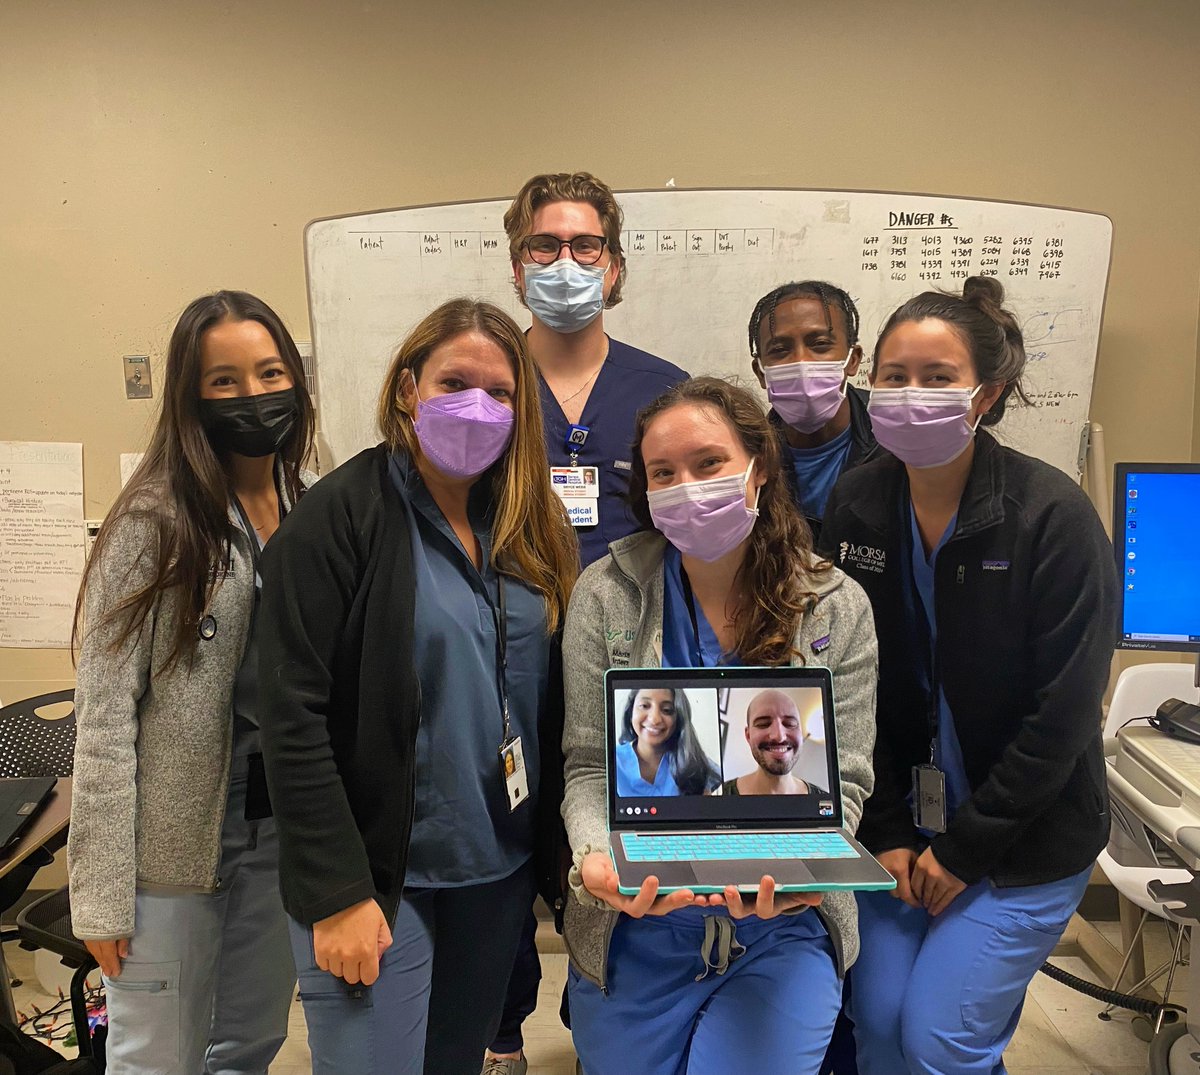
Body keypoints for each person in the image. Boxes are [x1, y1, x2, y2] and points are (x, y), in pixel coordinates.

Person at [256, 298, 577, 1075]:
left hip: (494, 874)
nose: (477, 405)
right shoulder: (339, 517)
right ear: (408, 388)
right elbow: (291, 716)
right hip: (375, 881)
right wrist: (337, 892)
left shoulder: (532, 524)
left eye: (499, 392)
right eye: (453, 381)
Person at [819, 277, 1118, 1075]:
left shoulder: (1051, 518)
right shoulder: (856, 505)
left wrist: (963, 851)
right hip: (899, 834)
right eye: (893, 375)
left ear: (984, 394)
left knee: (937, 1042)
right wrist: (883, 831)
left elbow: (1062, 717)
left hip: (1023, 837)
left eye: (938, 377)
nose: (910, 395)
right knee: (876, 1026)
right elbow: (848, 689)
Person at [562, 377, 878, 1075]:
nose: (687, 486)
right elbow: (589, 764)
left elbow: (845, 778)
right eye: (663, 472)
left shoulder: (834, 606)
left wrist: (812, 869)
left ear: (758, 468)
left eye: (708, 463)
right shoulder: (606, 594)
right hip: (636, 919)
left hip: (784, 923)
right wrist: (594, 855)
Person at [68, 290, 314, 1073]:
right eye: (224, 381)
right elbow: (103, 719)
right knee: (156, 1058)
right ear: (189, 395)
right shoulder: (154, 521)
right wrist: (101, 893)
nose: (252, 395)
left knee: (250, 1041)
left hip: (278, 838)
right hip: (171, 855)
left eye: (270, 372)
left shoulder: (306, 505)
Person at [485, 171, 688, 1075]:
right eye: (543, 245)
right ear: (515, 259)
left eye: (585, 246)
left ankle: (600, 998)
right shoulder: (485, 381)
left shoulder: (661, 388)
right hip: (502, 660)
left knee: (606, 845)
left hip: (624, 665)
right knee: (501, 849)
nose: (563, 263)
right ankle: (498, 1027)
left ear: (615, 266)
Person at [748, 281, 882, 542]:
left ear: (852, 360)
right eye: (779, 350)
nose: (801, 361)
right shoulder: (748, 458)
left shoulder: (896, 441)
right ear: (760, 372)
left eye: (819, 344)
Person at [615, 688, 720, 797]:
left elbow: (703, 812)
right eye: (644, 706)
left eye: (667, 710)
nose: (654, 719)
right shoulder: (610, 760)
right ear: (631, 711)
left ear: (679, 718)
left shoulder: (696, 765)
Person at [721, 689, 826, 796]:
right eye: (763, 724)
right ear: (748, 736)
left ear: (800, 733)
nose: (779, 736)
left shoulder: (824, 800)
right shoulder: (718, 795)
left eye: (790, 724)